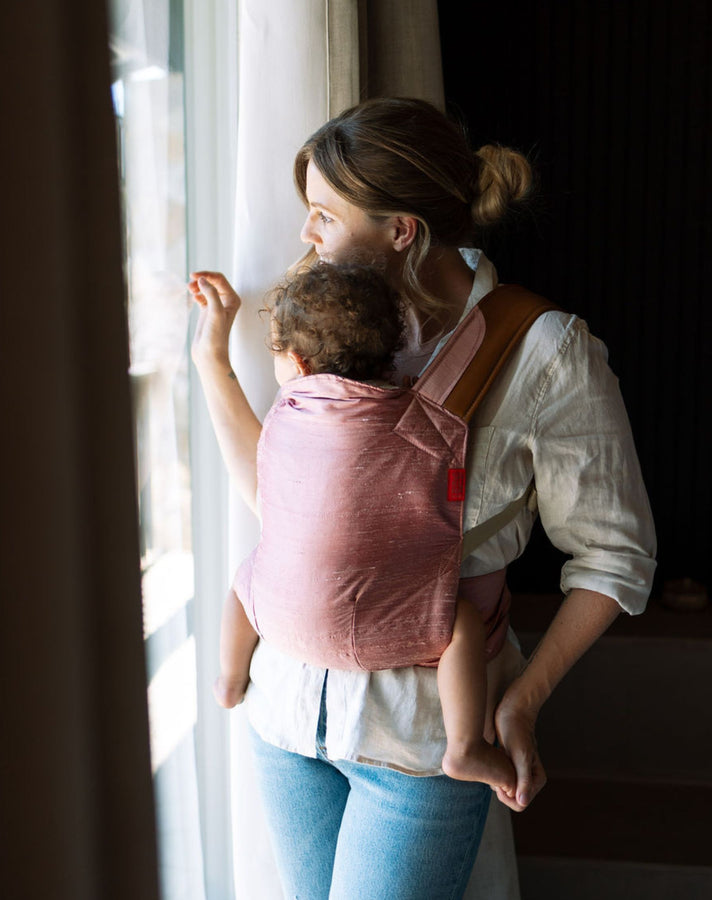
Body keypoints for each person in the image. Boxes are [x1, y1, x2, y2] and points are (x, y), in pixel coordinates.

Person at [189, 97, 656, 900]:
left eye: (323, 215)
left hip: (419, 741)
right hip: (286, 716)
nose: (306, 235)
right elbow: (281, 499)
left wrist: (521, 703)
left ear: (401, 231)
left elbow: (616, 558)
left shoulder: (543, 353)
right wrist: (213, 363)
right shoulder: (321, 323)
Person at [206, 260, 517, 794]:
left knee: (244, 576)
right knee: (464, 621)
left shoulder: (285, 418)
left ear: (298, 364)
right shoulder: (426, 422)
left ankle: (231, 680)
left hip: (283, 628)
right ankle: (465, 745)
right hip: (399, 634)